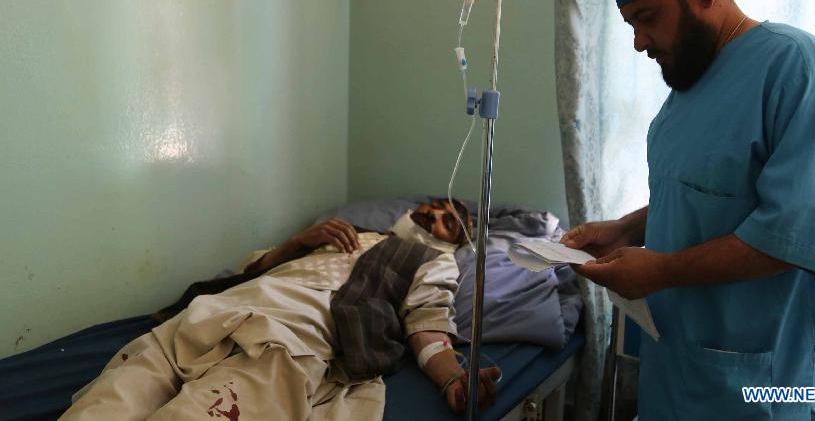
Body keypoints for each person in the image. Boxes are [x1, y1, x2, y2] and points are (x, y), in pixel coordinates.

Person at [561, 0, 815, 420]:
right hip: (686, 373)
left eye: (647, 18)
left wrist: (658, 270)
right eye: (629, 24)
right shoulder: (691, 81)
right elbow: (707, 193)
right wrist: (625, 229)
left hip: (772, 385)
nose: (639, 42)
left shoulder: (802, 71)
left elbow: (798, 234)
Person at [61, 198, 501, 420]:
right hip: (212, 316)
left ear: (452, 242)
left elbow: (428, 325)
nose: (431, 214)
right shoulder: (342, 232)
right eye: (433, 206)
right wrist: (297, 243)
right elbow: (249, 271)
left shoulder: (432, 262)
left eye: (447, 220)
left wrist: (452, 379)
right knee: (102, 407)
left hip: (290, 341)